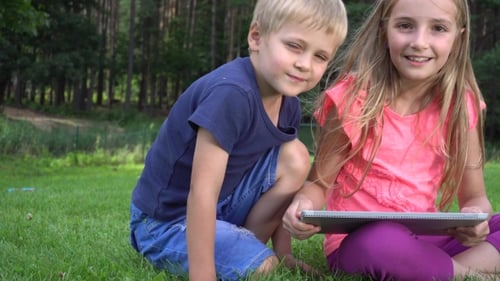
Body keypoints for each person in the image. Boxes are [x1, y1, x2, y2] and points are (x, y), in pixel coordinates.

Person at [128, 1, 348, 280]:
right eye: (294, 46)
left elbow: (280, 184)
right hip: (165, 222)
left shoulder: (288, 105)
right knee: (262, 269)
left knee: (296, 156)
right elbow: (202, 192)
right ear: (256, 37)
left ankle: (248, 246)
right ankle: (242, 253)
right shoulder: (231, 94)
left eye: (320, 56)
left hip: (221, 206)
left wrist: (285, 253)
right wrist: (203, 275)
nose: (305, 64)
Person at [283, 0, 500, 280]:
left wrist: (475, 220)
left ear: (458, 38)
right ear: (384, 30)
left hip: (427, 240)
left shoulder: (460, 105)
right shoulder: (352, 100)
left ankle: (431, 267)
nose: (420, 42)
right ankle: (470, 274)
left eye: (438, 28)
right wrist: (304, 205)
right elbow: (318, 184)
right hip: (362, 244)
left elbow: (476, 198)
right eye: (405, 26)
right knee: (382, 243)